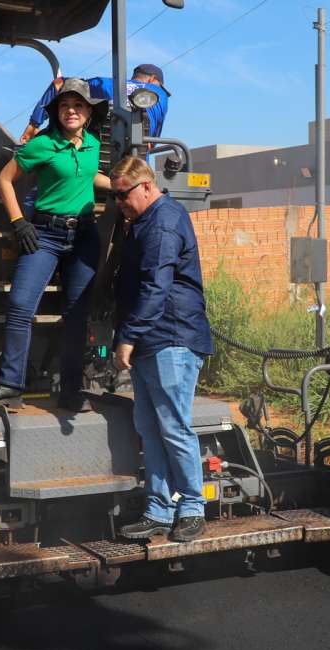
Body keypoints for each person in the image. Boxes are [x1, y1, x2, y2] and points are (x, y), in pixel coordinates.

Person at [0, 78, 111, 411]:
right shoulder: (41, 144)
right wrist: (18, 221)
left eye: (78, 105)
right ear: (56, 111)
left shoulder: (92, 144)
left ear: (89, 112)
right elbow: (4, 178)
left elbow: (87, 175)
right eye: (65, 105)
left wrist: (125, 185)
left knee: (77, 316)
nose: (71, 111)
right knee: (20, 305)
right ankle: (10, 386)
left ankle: (71, 391)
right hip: (45, 235)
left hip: (84, 236)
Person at [109, 156, 214, 544]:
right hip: (152, 339)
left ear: (147, 186)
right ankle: (158, 511)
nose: (120, 203)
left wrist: (128, 337)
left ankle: (192, 508)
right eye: (115, 196)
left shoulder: (164, 222)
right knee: (150, 429)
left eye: (124, 195)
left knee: (173, 426)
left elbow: (156, 286)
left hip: (171, 337)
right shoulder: (144, 221)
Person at [18, 64, 170, 144]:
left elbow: (59, 83)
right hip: (138, 165)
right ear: (152, 79)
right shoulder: (161, 94)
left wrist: (33, 125)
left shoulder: (107, 84)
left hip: (98, 159)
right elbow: (151, 144)